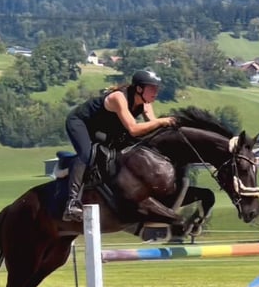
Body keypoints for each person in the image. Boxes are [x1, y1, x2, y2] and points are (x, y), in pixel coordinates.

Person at [62, 69, 177, 222]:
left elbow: (151, 127)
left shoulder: (145, 103)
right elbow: (134, 129)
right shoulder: (118, 97)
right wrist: (162, 121)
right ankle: (72, 203)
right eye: (152, 89)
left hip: (104, 127)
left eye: (157, 89)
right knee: (86, 154)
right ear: (139, 88)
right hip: (81, 122)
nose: (156, 92)